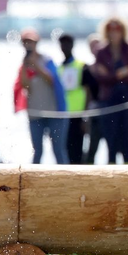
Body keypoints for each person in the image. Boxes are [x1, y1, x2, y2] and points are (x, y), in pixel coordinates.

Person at [91, 17, 128, 164]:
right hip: (108, 100)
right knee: (111, 144)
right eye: (110, 30)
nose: (113, 33)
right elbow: (101, 78)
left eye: (117, 29)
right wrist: (119, 74)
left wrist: (110, 74)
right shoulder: (101, 51)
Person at [17, 28, 67, 164]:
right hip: (35, 113)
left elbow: (53, 80)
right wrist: (25, 66)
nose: (28, 45)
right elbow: (25, 86)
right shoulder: (24, 65)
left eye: (31, 42)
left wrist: (36, 66)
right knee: (37, 151)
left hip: (53, 112)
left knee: (58, 150)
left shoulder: (47, 60)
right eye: (26, 42)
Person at [57, 34, 92, 165]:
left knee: (77, 150)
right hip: (63, 114)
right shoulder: (59, 68)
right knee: (64, 150)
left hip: (78, 114)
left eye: (67, 43)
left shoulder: (81, 66)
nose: (64, 47)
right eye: (62, 44)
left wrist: (85, 115)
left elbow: (88, 91)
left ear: (72, 45)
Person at [81, 33, 105, 163]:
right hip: (95, 112)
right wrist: (85, 116)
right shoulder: (87, 69)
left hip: (109, 110)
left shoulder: (109, 66)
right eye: (92, 46)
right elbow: (87, 93)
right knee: (92, 147)